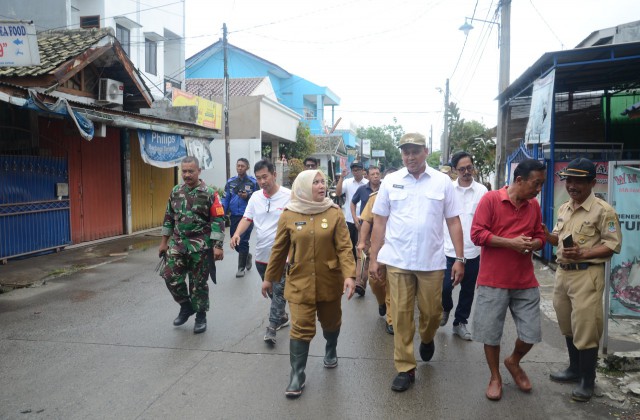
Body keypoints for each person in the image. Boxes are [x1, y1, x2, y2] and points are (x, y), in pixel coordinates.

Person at [369, 133, 465, 392]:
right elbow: (379, 221)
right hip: (398, 260)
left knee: (432, 313)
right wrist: (374, 257)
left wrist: (459, 258)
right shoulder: (391, 181)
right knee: (400, 316)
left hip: (431, 261)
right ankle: (405, 367)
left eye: (415, 151)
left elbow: (454, 221)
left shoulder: (442, 181)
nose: (410, 157)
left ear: (425, 151)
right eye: (405, 152)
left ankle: (427, 336)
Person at [263, 169, 356, 399]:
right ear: (304, 186)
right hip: (299, 282)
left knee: (331, 323)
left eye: (323, 182)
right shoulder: (289, 214)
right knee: (300, 328)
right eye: (315, 182)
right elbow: (278, 250)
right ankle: (297, 374)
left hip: (329, 281)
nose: (321, 186)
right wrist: (268, 278)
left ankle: (331, 347)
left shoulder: (334, 213)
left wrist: (350, 275)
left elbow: (345, 247)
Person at [544, 158, 622, 402]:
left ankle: (588, 380)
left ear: (592, 181)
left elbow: (612, 245)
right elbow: (558, 237)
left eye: (578, 180)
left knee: (586, 326)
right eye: (568, 179)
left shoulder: (603, 210)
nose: (572, 185)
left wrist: (584, 253)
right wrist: (543, 235)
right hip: (563, 273)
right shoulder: (564, 208)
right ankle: (574, 369)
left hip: (587, 274)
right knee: (567, 323)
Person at [470, 158, 547, 401]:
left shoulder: (533, 206)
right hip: (493, 281)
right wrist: (510, 243)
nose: (538, 190)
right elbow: (477, 234)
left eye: (541, 184)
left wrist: (533, 243)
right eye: (536, 183)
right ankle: (495, 376)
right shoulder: (491, 199)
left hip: (525, 280)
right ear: (519, 180)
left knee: (531, 333)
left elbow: (539, 236)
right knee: (491, 334)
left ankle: (513, 361)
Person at [158, 156, 225, 334]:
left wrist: (218, 245)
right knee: (169, 276)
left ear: (199, 171)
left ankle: (200, 316)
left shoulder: (209, 193)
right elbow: (168, 217)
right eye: (184, 171)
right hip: (178, 244)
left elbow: (218, 219)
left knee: (198, 284)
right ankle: (186, 306)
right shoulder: (175, 191)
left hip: (200, 245)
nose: (186, 175)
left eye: (190, 171)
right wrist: (164, 242)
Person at [230, 159, 292, 345]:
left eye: (265, 177)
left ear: (274, 174)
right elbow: (247, 218)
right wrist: (236, 234)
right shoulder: (255, 197)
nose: (262, 181)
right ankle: (281, 316)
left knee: (279, 291)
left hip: (282, 255)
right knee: (272, 291)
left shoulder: (289, 196)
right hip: (261, 255)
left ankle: (271, 328)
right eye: (258, 178)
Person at [440, 151, 488, 341]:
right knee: (444, 287)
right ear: (454, 170)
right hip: (447, 250)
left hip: (473, 251)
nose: (467, 172)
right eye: (462, 169)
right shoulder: (448, 189)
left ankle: (460, 322)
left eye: (469, 168)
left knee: (467, 291)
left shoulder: (482, 191)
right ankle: (446, 307)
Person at [357, 166, 397, 335]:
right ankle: (381, 302)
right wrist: (361, 242)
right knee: (376, 282)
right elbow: (366, 221)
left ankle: (391, 319)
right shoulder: (375, 198)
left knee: (393, 285)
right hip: (378, 248)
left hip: (397, 250)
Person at [222, 158, 259, 278]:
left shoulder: (253, 182)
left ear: (247, 167)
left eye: (242, 166)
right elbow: (225, 198)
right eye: (238, 165)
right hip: (234, 216)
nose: (240, 168)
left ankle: (241, 268)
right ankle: (247, 256)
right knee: (234, 241)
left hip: (247, 216)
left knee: (243, 241)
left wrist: (247, 196)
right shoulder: (231, 182)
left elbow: (258, 198)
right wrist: (222, 213)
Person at [350, 165, 382, 297]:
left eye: (377, 174)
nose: (375, 176)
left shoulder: (385, 189)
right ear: (367, 176)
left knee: (378, 256)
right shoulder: (362, 189)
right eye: (373, 174)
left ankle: (380, 284)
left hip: (381, 229)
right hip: (365, 227)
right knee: (362, 255)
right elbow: (353, 203)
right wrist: (354, 218)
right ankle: (360, 283)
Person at [336, 161, 368, 260]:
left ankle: (361, 267)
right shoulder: (347, 182)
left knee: (362, 245)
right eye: (354, 170)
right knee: (349, 245)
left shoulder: (368, 184)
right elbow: (338, 193)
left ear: (363, 171)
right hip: (350, 219)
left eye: (358, 170)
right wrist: (342, 177)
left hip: (364, 220)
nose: (356, 172)